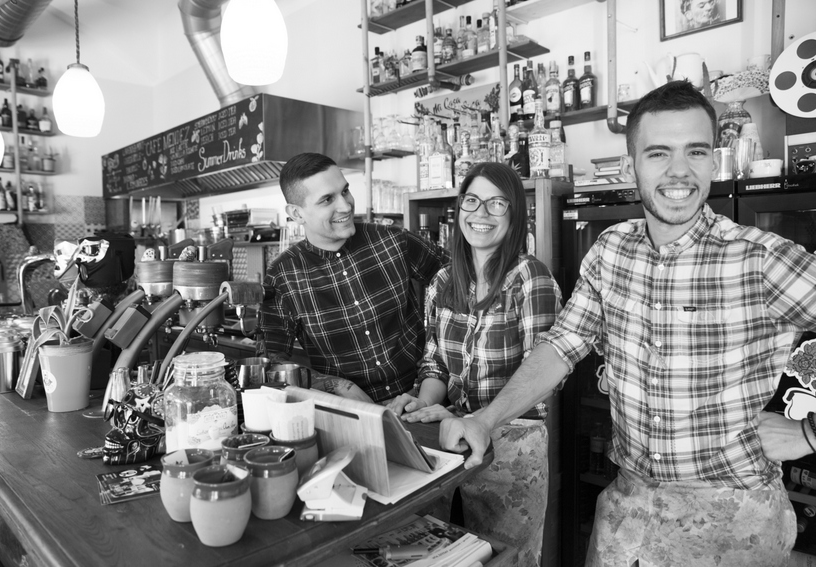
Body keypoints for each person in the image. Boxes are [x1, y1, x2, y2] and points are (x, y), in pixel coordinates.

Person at [441, 80, 816, 566]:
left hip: (734, 518)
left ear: (713, 159)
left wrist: (809, 434)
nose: (679, 171)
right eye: (658, 153)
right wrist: (484, 421)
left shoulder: (760, 257)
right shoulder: (611, 250)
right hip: (627, 513)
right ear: (631, 163)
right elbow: (562, 346)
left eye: (696, 151)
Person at [387, 162, 562, 567]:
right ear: (459, 209)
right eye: (472, 201)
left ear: (515, 215)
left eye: (496, 203)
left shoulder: (529, 278)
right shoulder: (443, 282)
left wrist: (480, 418)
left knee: (509, 559)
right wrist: (423, 404)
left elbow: (545, 373)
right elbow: (434, 363)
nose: (481, 213)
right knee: (446, 554)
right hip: (449, 440)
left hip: (512, 446)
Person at [258, 152, 447, 403]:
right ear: (297, 213)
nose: (345, 206)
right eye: (327, 199)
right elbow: (271, 362)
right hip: (350, 413)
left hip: (423, 399)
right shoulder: (282, 275)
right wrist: (336, 386)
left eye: (345, 191)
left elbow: (457, 277)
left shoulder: (392, 240)